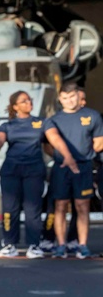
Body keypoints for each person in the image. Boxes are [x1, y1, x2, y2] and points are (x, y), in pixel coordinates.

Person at [0, 91, 48, 258]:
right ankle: (9, 244)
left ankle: (34, 245)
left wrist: (65, 157)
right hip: (11, 170)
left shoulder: (40, 122)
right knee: (9, 208)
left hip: (34, 169)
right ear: (15, 106)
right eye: (24, 101)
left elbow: (52, 142)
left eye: (29, 100)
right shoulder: (7, 125)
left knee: (32, 208)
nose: (28, 102)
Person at [43, 81, 103, 259]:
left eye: (72, 97)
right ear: (60, 99)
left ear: (79, 96)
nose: (69, 101)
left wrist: (85, 154)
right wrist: (63, 158)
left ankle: (82, 245)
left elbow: (99, 143)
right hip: (61, 168)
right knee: (60, 206)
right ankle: (61, 245)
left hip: (83, 167)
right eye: (65, 98)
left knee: (82, 206)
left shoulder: (92, 116)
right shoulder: (53, 119)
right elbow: (48, 146)